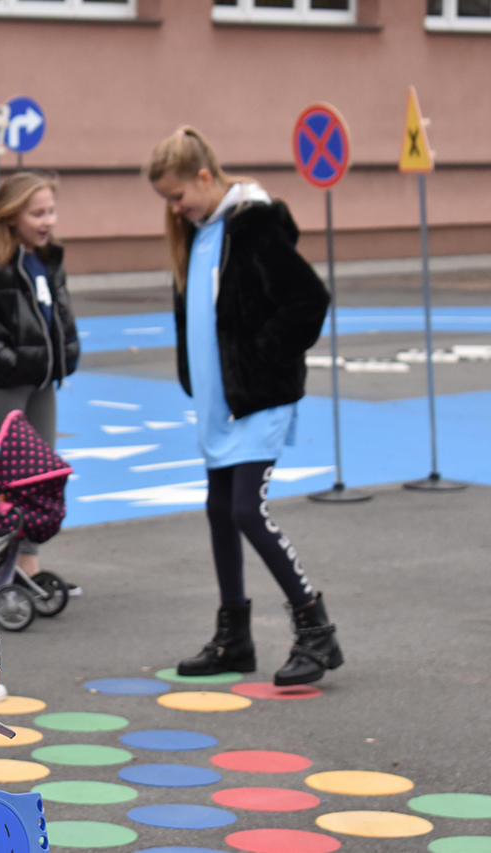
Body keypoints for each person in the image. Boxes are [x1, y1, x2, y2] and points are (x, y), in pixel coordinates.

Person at [145, 126, 341, 686]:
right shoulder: (201, 233)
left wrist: (261, 358)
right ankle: (235, 637)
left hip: (258, 397)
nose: (175, 208)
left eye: (178, 195)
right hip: (220, 402)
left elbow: (309, 299)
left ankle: (316, 630)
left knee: (246, 510)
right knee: (219, 509)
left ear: (205, 177)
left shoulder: (252, 225)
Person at [0, 172, 79, 580]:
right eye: (37, 213)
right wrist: (9, 359)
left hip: (42, 380)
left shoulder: (47, 257)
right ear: (11, 215)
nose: (48, 221)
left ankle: (26, 563)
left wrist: (68, 351)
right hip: (3, 383)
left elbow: (58, 313)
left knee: (40, 474)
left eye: (51, 211)